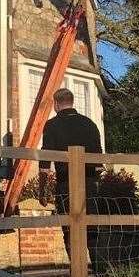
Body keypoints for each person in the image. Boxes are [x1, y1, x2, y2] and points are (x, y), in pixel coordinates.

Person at [39, 88, 103, 259]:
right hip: (89, 185)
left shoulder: (52, 126)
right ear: (72, 101)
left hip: (65, 185)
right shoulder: (90, 124)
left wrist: (42, 191)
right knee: (92, 231)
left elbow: (45, 162)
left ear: (56, 104)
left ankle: (76, 274)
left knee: (69, 231)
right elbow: (98, 163)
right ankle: (99, 272)